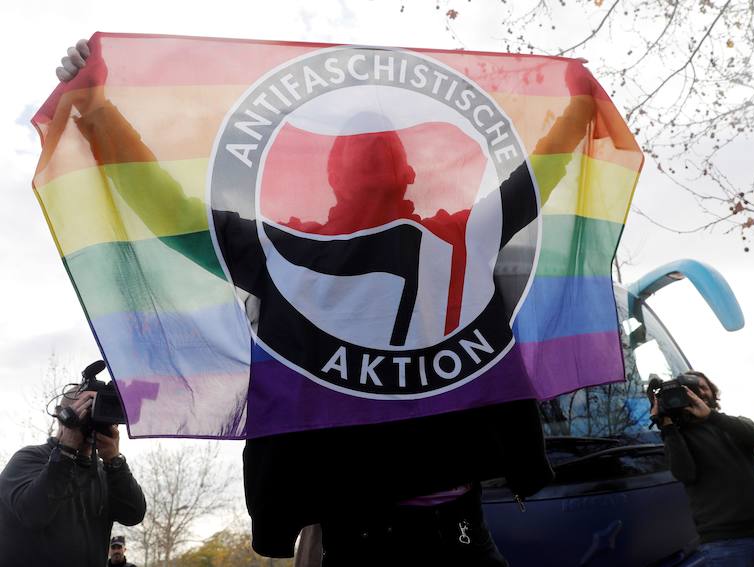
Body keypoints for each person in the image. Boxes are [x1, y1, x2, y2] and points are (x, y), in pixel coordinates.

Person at [55, 39, 597, 566]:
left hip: (363, 530)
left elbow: (170, 211)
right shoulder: (462, 235)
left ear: (331, 178)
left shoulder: (282, 252)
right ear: (409, 174)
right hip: (455, 526)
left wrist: (99, 114)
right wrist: (578, 109)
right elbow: (535, 175)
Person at [652, 370, 754, 567]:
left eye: (703, 388)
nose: (698, 393)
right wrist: (668, 427)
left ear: (713, 393)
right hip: (724, 542)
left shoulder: (733, 424)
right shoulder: (681, 437)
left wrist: (711, 416)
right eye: (690, 389)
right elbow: (684, 473)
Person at [0, 388, 147, 567]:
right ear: (62, 417)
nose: (92, 422)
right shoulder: (28, 459)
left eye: (98, 415)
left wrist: (114, 461)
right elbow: (33, 514)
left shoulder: (105, 473)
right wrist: (66, 450)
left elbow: (134, 515)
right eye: (86, 413)